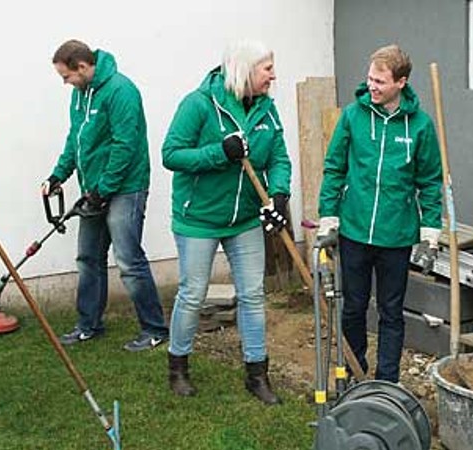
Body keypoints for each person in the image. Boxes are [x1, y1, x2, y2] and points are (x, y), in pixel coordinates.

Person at [161, 39, 292, 404]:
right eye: (267, 68)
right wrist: (221, 152)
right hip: (198, 218)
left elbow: (279, 158)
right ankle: (178, 367)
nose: (273, 75)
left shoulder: (267, 110)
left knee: (252, 295)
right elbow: (171, 154)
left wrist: (279, 194)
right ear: (245, 70)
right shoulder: (199, 104)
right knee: (193, 294)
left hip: (245, 218)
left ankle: (256, 373)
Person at [317, 44, 443, 383]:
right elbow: (334, 169)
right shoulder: (353, 117)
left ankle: (387, 381)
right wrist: (328, 220)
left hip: (396, 236)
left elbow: (430, 182)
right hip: (355, 231)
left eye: (380, 81)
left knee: (391, 312)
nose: (372, 86)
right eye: (370, 78)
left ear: (401, 83)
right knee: (354, 308)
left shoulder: (420, 126)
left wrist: (431, 236)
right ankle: (353, 372)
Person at [44, 40, 168, 350]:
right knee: (88, 258)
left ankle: (155, 329)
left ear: (83, 67)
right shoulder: (80, 95)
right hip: (96, 188)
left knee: (128, 259)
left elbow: (124, 145)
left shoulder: (121, 91)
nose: (65, 83)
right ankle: (89, 325)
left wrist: (104, 189)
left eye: (66, 76)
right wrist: (58, 174)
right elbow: (76, 139)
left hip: (126, 187)